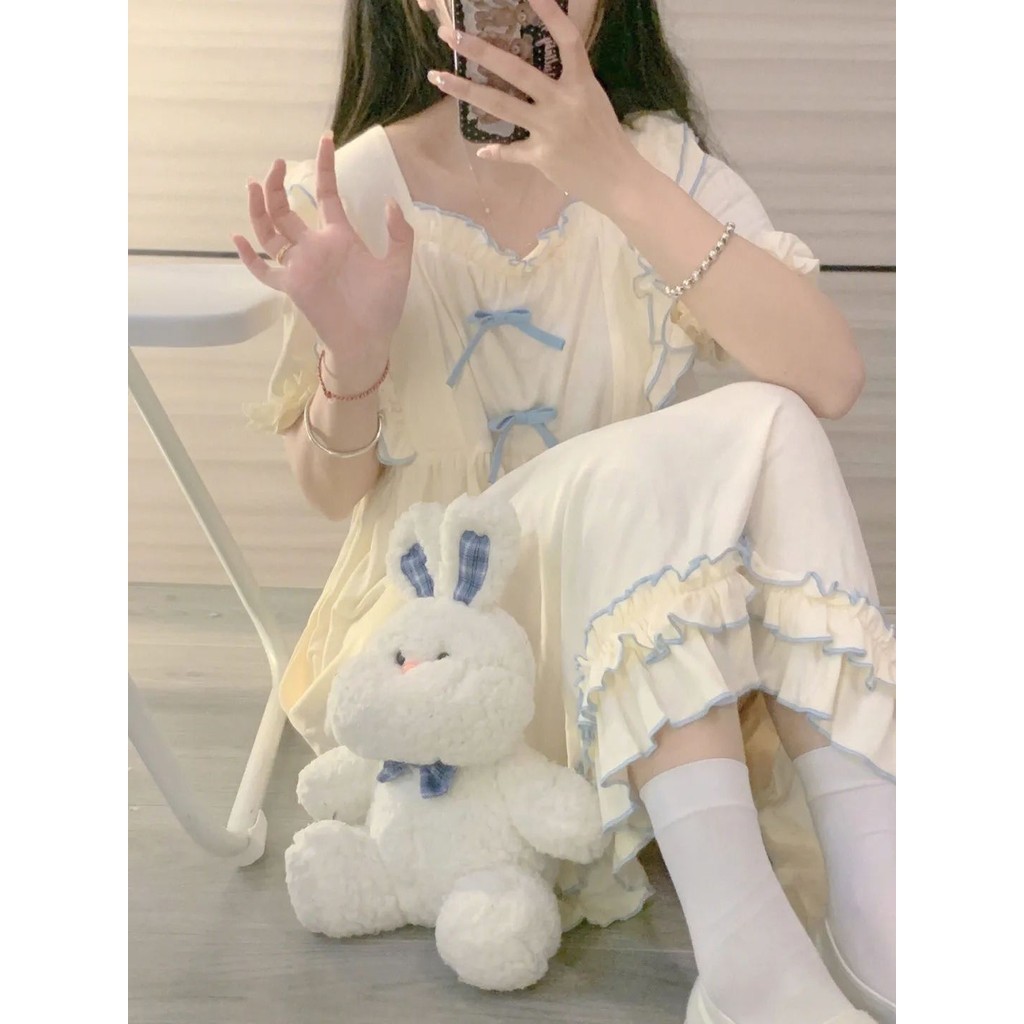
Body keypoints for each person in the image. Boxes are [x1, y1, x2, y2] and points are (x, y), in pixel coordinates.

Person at [234, 2, 896, 1022]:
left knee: (772, 418)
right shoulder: (353, 187)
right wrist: (353, 358)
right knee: (646, 467)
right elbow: (327, 493)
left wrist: (614, 178)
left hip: (619, 660)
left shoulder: (651, 163)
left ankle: (869, 901)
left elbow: (830, 376)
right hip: (440, 670)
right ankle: (768, 950)